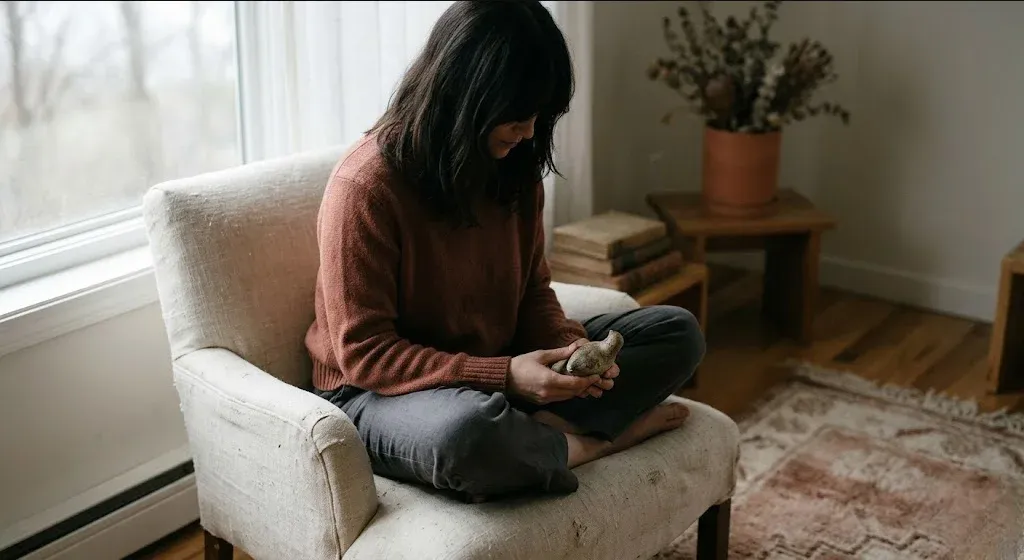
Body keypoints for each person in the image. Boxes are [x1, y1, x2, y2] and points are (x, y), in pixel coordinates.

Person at [304, 0, 705, 503]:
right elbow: (365, 355)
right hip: (379, 393)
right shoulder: (366, 186)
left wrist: (568, 349)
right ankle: (587, 444)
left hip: (494, 365)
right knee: (466, 436)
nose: (531, 131)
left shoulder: (515, 168)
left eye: (540, 114)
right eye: (518, 114)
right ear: (468, 95)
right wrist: (506, 376)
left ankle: (539, 436)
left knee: (676, 332)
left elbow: (533, 292)